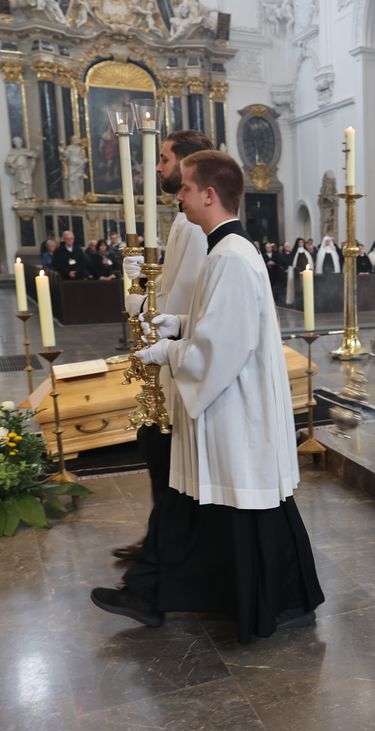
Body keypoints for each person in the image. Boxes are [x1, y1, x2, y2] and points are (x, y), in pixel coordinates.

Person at [93, 150, 325, 639]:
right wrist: (178, 324)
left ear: (209, 195)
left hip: (233, 406)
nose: (178, 195)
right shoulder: (225, 252)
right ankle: (158, 592)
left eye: (185, 188)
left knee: (231, 499)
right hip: (225, 402)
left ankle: (263, 598)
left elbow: (224, 344)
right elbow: (220, 322)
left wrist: (171, 354)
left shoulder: (232, 257)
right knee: (200, 499)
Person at [112, 130, 213, 563]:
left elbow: (179, 297)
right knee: (155, 445)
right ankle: (159, 541)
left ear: (188, 165)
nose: (157, 168)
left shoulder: (192, 226)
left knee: (160, 446)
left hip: (182, 356)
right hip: (173, 351)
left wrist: (138, 297)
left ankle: (165, 546)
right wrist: (140, 287)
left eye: (165, 159)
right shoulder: (180, 219)